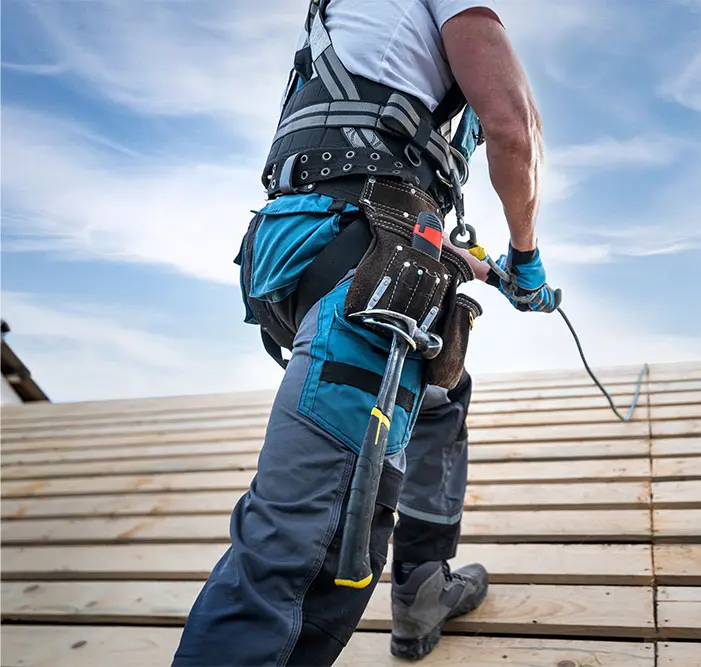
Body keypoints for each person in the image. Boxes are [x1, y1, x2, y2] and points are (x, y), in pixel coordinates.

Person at [171, 0, 558, 665]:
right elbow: (514, 127)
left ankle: (422, 583)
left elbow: (359, 159)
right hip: (362, 268)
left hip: (295, 253)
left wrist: (467, 262)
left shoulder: (350, 16)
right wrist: (525, 257)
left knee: (440, 395)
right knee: (304, 555)